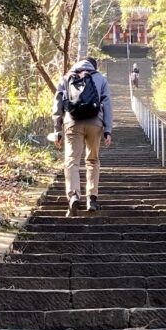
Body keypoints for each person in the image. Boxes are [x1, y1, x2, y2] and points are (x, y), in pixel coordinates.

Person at [52, 56, 112, 215]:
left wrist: (57, 130)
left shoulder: (66, 77)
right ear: (94, 66)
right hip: (95, 123)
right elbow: (106, 103)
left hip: (72, 122)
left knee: (72, 161)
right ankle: (91, 198)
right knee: (92, 160)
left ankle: (73, 196)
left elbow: (58, 104)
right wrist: (108, 130)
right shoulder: (100, 78)